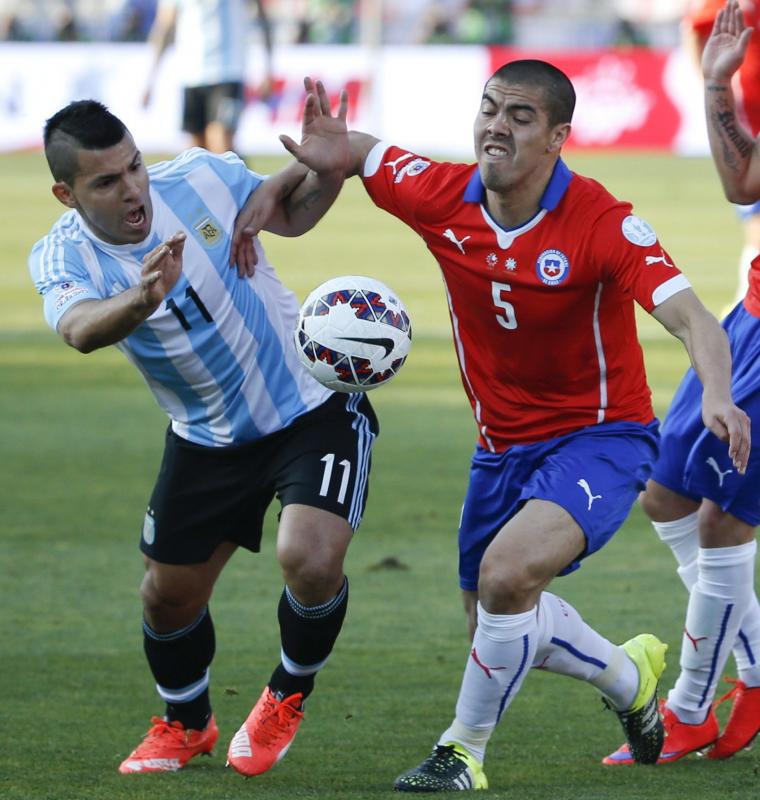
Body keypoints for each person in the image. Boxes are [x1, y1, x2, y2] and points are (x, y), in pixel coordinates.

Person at [242, 60, 751, 791]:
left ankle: (462, 751)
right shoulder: (442, 192)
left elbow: (693, 317)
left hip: (603, 439)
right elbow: (355, 151)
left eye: (519, 116)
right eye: (489, 108)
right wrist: (296, 171)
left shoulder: (603, 222)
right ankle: (627, 677)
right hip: (499, 449)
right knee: (497, 624)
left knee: (508, 577)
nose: (496, 125)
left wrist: (718, 395)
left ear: (557, 137)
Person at [28, 81, 380, 778]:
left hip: (311, 407)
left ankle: (287, 691)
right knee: (166, 596)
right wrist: (139, 298)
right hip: (206, 435)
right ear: (67, 196)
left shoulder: (200, 176)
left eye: (132, 165)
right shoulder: (64, 257)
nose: (132, 189)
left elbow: (291, 214)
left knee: (307, 556)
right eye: (106, 181)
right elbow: (77, 330)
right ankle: (187, 722)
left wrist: (324, 168)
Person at [604, 0, 760, 766]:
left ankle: (690, 708)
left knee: (724, 520)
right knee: (664, 488)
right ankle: (758, 671)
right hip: (750, 317)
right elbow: (746, 186)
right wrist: (715, 89)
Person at [683, 0, 760, 308]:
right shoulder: (733, 2)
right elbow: (695, 30)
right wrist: (713, 83)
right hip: (746, 120)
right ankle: (747, 300)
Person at [142, 0, 273, 154]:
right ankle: (240, 176)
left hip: (229, 72)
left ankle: (245, 177)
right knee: (197, 153)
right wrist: (150, 80)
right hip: (191, 74)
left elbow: (262, 19)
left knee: (221, 143)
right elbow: (164, 27)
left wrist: (268, 69)